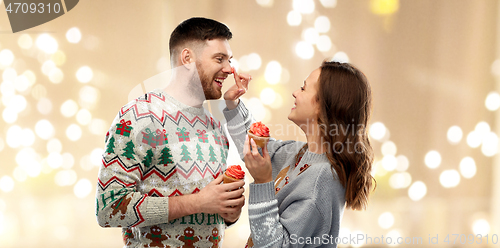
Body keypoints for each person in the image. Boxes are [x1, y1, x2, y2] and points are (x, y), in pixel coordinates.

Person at [96, 17, 250, 248]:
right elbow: (109, 208)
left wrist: (229, 212)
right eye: (220, 59)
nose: (229, 69)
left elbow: (212, 214)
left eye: (230, 60)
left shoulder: (216, 127)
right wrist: (198, 202)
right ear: (187, 58)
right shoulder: (138, 116)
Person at [223, 61, 376, 247]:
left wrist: (262, 182)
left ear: (323, 105)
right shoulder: (299, 153)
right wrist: (233, 104)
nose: (295, 92)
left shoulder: (323, 180)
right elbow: (260, 148)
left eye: (303, 89)